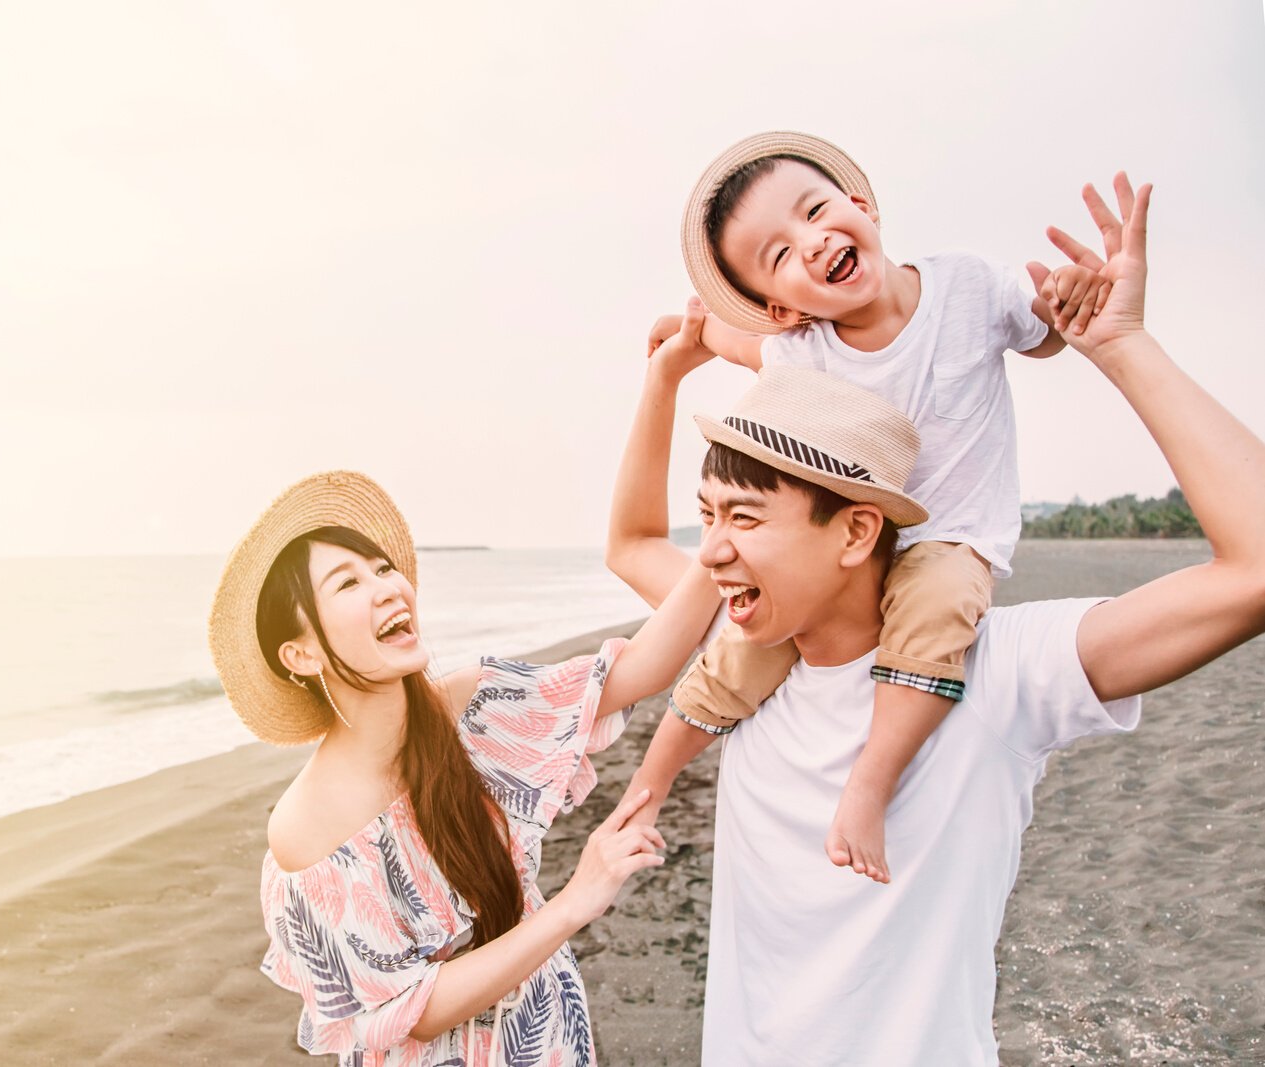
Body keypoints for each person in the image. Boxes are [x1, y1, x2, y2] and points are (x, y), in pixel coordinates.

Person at [609, 175, 1265, 1062]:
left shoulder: (994, 672)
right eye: (709, 516)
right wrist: (665, 375)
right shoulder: (747, 637)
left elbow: (1255, 571)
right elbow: (634, 541)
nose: (711, 553)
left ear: (855, 529)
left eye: (745, 518)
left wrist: (1120, 345)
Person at [645, 131, 1108, 881]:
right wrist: (686, 328)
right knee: (744, 646)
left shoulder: (966, 287)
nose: (812, 241)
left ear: (860, 206)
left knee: (933, 608)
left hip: (950, 540)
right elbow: (738, 345)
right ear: (780, 305)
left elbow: (1044, 328)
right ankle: (651, 779)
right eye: (778, 255)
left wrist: (1066, 301)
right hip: (845, 552)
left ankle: (870, 782)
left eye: (816, 210)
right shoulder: (801, 349)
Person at [207, 470, 720, 1065]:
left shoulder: (472, 708)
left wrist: (722, 536)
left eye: (381, 569)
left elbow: (644, 668)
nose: (387, 588)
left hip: (547, 1032)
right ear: (300, 653)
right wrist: (576, 900)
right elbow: (415, 1012)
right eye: (347, 583)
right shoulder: (306, 830)